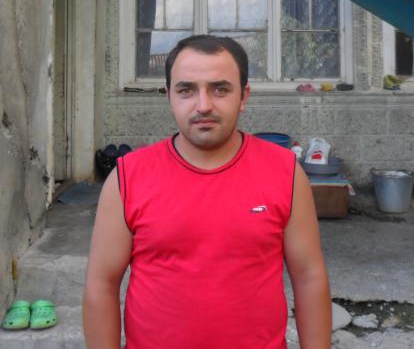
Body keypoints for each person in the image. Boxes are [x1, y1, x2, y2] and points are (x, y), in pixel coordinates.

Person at [83, 35, 331, 349]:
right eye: (186, 90)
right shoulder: (127, 178)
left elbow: (309, 277)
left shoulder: (285, 173)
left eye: (220, 89)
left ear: (243, 96)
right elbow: (101, 285)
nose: (203, 105)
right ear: (169, 97)